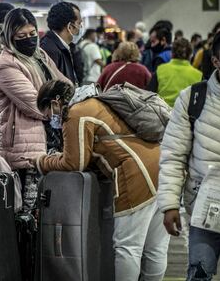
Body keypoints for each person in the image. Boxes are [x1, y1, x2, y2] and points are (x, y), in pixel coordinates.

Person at [34, 80, 170, 281]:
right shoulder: (96, 102)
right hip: (162, 165)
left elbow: (74, 162)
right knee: (155, 247)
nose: (50, 120)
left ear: (56, 102)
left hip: (135, 174)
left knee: (128, 246)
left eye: (47, 114)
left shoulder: (76, 113)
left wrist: (42, 161)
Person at [158, 30, 220, 281]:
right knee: (199, 274)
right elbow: (173, 155)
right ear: (216, 61)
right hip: (204, 210)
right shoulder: (193, 98)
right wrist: (169, 204)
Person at [0, 8, 67, 210]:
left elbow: (66, 84)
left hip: (51, 141)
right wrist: (61, 105)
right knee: (29, 213)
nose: (29, 39)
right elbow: (35, 105)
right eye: (22, 36)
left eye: (33, 34)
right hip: (26, 150)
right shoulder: (5, 64)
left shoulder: (40, 55)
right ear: (10, 36)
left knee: (50, 210)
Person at [149, 38, 202, 107]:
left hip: (161, 113)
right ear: (191, 55)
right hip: (185, 115)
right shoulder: (198, 75)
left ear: (172, 53)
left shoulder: (160, 70)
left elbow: (149, 93)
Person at [40, 1, 83, 85]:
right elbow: (51, 87)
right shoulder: (50, 50)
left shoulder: (63, 46)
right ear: (70, 27)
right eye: (79, 23)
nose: (80, 27)